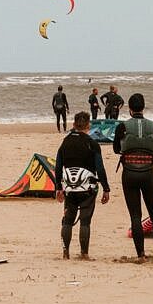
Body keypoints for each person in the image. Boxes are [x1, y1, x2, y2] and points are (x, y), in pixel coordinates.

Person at [111, 93, 153, 259]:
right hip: (149, 173)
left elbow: (116, 149)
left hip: (129, 173)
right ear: (143, 107)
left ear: (129, 109)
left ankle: (141, 254)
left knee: (135, 216)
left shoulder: (122, 127)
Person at [55, 111, 110, 259]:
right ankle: (84, 253)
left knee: (68, 220)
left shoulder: (65, 142)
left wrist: (58, 188)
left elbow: (58, 166)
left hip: (69, 188)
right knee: (85, 221)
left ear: (73, 125)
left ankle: (65, 253)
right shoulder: (92, 143)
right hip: (87, 189)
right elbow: (100, 168)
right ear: (88, 125)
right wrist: (106, 188)